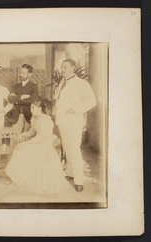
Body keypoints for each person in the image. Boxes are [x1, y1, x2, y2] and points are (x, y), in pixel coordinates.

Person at [5, 98, 70, 195]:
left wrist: (26, 143)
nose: (31, 110)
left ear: (40, 109)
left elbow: (41, 138)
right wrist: (23, 135)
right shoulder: (36, 118)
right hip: (38, 141)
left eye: (33, 108)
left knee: (22, 149)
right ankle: (20, 177)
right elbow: (33, 131)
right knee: (19, 148)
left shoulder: (45, 120)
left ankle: (24, 178)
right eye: (31, 108)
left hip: (43, 145)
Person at [55, 59, 96, 192]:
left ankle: (79, 180)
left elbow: (92, 101)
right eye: (61, 67)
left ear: (73, 67)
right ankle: (70, 172)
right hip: (62, 121)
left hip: (73, 121)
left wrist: (75, 109)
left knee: (74, 149)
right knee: (67, 148)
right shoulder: (61, 82)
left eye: (65, 67)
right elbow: (60, 100)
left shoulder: (82, 84)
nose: (62, 70)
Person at [7, 64, 39, 135]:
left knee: (26, 137)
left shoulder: (34, 86)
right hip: (16, 115)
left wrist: (17, 99)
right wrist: (22, 96)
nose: (21, 74)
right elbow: (10, 99)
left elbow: (32, 99)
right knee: (14, 137)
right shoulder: (15, 87)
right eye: (20, 72)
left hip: (29, 115)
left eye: (23, 73)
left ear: (30, 74)